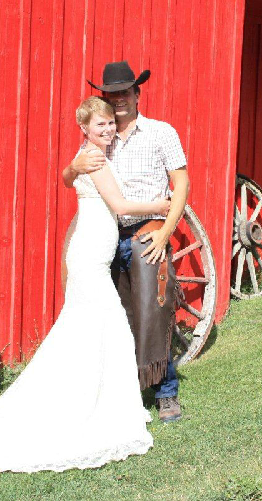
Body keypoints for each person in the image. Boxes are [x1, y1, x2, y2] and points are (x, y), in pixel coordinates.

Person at [0, 97, 169, 472]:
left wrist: (70, 169)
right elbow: (119, 207)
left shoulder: (87, 155)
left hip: (91, 253)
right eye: (99, 125)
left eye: (109, 123)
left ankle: (92, 399)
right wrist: (159, 206)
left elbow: (69, 179)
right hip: (89, 255)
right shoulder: (96, 158)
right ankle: (96, 407)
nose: (106, 130)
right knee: (110, 325)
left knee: (90, 328)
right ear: (84, 129)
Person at [62, 61, 190, 422]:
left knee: (153, 310)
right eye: (112, 93)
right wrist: (73, 169)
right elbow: (71, 176)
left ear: (137, 93)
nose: (119, 98)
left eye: (125, 91)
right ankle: (120, 390)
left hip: (147, 230)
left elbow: (181, 184)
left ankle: (165, 392)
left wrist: (166, 231)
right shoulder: (100, 138)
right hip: (106, 237)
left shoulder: (161, 132)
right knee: (117, 317)